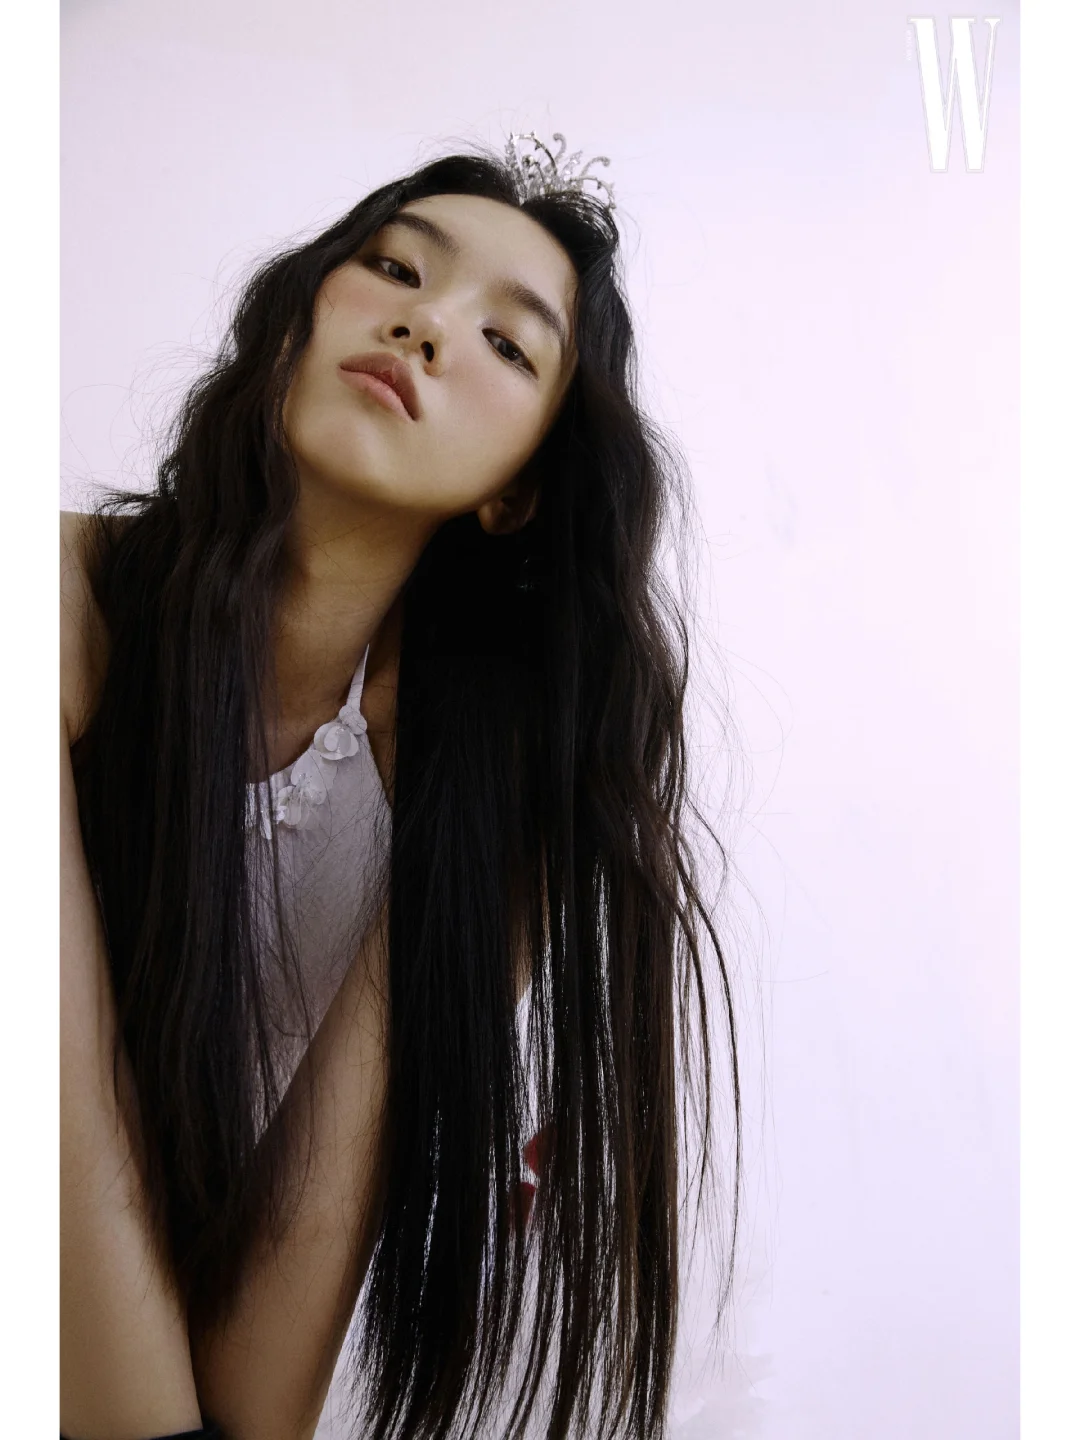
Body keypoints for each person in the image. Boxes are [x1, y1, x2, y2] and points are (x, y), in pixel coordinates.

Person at [60, 136, 739, 1440]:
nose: (425, 325)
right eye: (395, 269)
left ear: (519, 492)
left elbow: (265, 1368)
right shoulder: (49, 600)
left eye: (508, 343)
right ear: (295, 324)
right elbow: (50, 1123)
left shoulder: (478, 794)